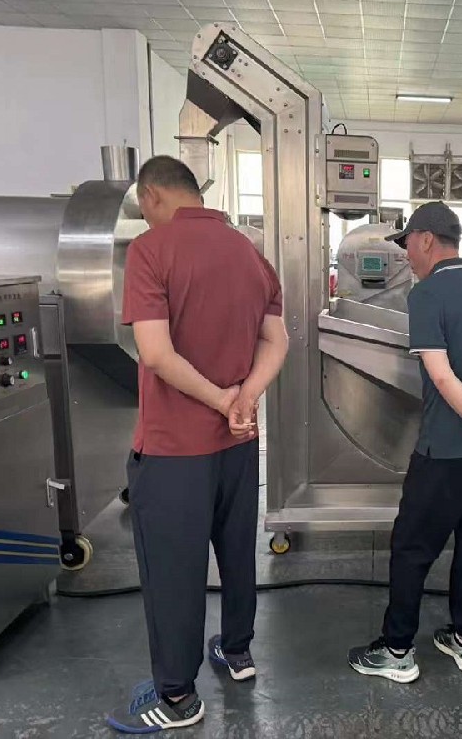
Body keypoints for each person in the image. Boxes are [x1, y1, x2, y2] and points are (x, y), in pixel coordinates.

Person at [107, 156, 288, 733]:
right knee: (237, 553)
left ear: (153, 196)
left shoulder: (151, 251)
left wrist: (218, 401)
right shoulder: (250, 254)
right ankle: (236, 652)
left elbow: (156, 355)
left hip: (173, 449)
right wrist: (244, 399)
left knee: (173, 570)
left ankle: (178, 698)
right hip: (237, 446)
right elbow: (277, 339)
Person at [347, 201, 462, 683]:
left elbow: (440, 372)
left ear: (427, 239)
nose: (406, 253)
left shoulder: (427, 295)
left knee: (410, 547)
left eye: (407, 242)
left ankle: (398, 649)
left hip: (446, 450)